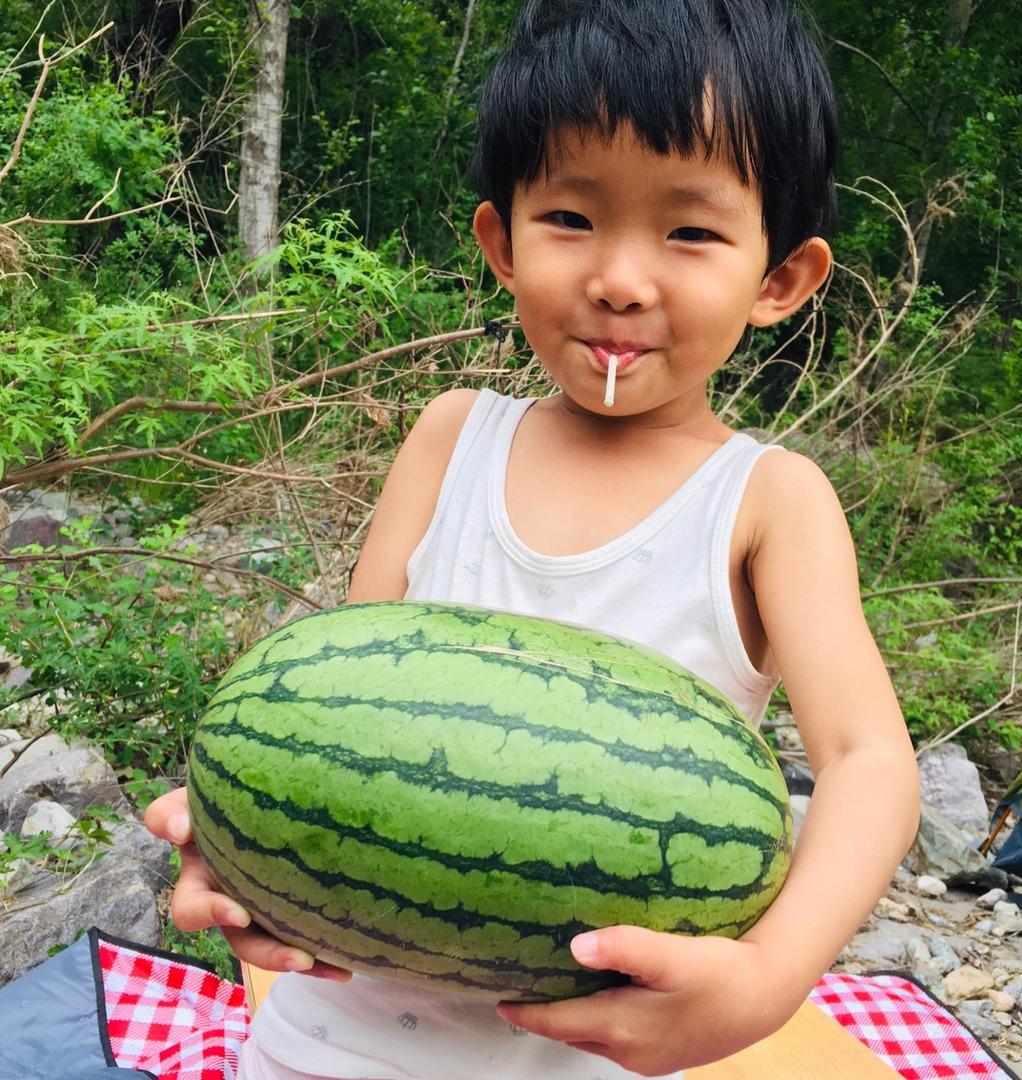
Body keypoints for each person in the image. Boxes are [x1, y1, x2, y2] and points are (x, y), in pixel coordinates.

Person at [145, 1, 921, 1076]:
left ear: (779, 279)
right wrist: (238, 850)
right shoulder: (451, 435)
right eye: (571, 218)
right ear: (501, 244)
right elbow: (335, 714)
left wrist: (771, 975)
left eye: (690, 232)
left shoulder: (770, 503)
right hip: (328, 1043)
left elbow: (868, 761)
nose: (620, 279)